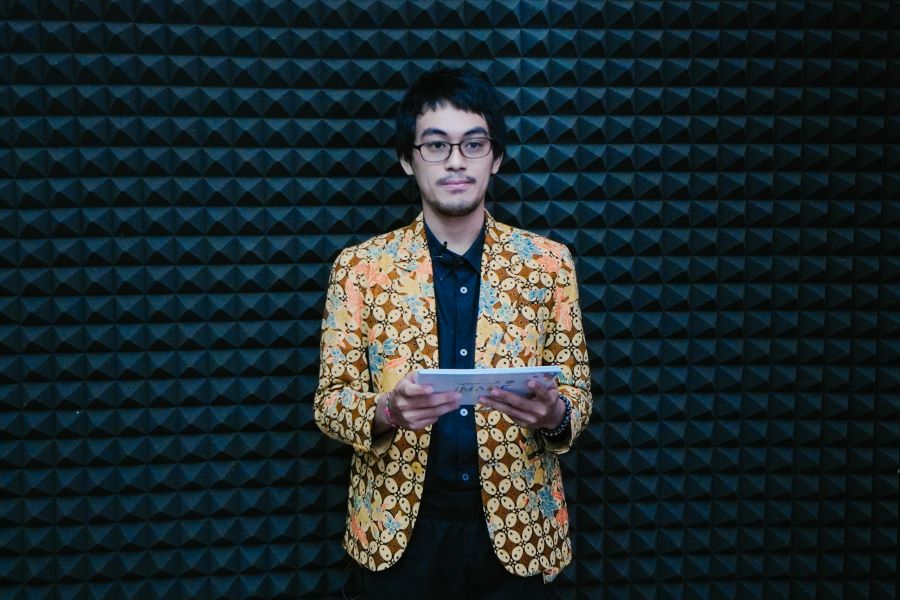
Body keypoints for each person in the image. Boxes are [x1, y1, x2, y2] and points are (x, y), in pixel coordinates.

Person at [314, 66, 592, 599]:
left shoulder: (549, 264)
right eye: (436, 145)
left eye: (473, 144)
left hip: (519, 533)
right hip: (398, 536)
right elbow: (329, 403)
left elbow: (578, 395)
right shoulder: (360, 268)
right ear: (408, 158)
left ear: (496, 157)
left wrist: (556, 416)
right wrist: (388, 411)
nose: (457, 161)